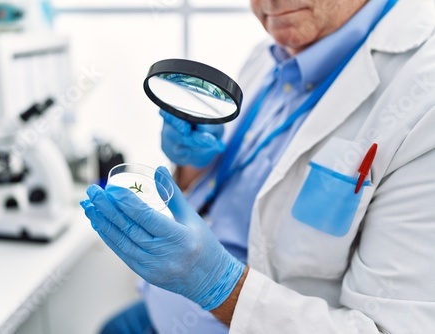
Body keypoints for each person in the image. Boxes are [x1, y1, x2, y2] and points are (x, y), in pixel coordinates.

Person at [81, 0, 435, 332]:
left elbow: (386, 327)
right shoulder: (271, 53)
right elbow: (231, 198)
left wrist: (218, 285)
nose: (269, 3)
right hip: (158, 309)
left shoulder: (423, 96)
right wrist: (192, 165)